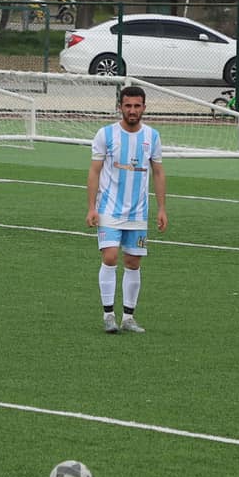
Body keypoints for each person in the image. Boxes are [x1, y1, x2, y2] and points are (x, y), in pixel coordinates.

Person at [87, 85, 166, 334]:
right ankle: (108, 315)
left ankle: (128, 318)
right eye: (128, 105)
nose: (132, 110)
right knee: (110, 256)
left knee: (133, 262)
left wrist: (162, 208)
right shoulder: (106, 134)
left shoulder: (152, 136)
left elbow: (158, 172)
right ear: (120, 107)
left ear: (144, 107)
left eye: (137, 106)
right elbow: (94, 171)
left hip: (138, 212)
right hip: (109, 208)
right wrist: (91, 207)